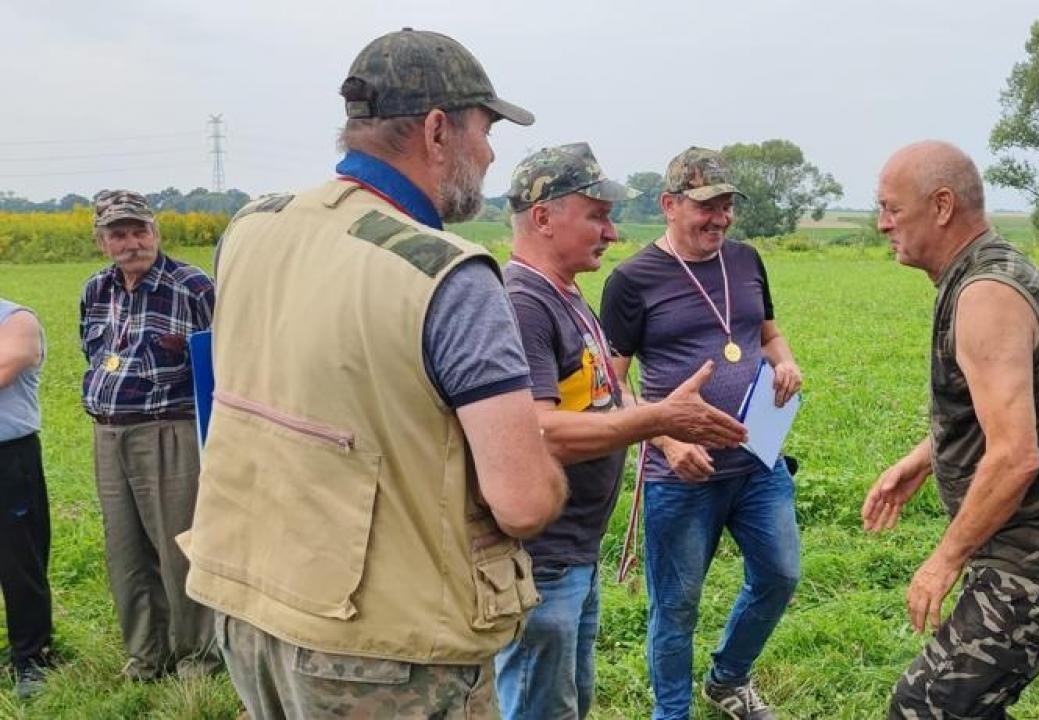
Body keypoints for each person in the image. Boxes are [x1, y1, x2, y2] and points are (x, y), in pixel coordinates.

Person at [179, 28, 566, 718]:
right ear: (438, 131)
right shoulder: (447, 273)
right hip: (386, 649)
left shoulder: (253, 226)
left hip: (249, 608)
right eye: (485, 129)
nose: (490, 152)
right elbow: (525, 503)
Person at [864, 141, 1039, 719]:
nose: (882, 224)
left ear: (941, 205)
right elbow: (1000, 417)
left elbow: (1014, 456)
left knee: (929, 706)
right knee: (964, 702)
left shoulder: (986, 295)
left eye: (891, 208)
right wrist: (923, 458)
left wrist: (944, 559)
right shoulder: (980, 274)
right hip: (1032, 537)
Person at [494, 142, 747, 719]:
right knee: (538, 708)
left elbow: (610, 391)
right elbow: (539, 433)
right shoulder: (524, 304)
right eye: (597, 216)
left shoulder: (568, 294)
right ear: (542, 217)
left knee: (570, 703)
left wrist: (657, 425)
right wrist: (659, 419)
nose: (611, 233)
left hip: (574, 552)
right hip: (543, 558)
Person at [599, 147, 802, 720]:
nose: (721, 218)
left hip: (758, 461)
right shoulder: (632, 280)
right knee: (677, 607)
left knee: (781, 575)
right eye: (707, 205)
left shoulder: (746, 260)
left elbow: (767, 334)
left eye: (727, 205)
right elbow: (611, 387)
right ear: (669, 205)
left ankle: (728, 680)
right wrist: (665, 438)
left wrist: (785, 362)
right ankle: (672, 713)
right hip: (683, 474)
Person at [78, 189, 217, 680]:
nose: (131, 242)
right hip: (109, 434)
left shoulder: (193, 286)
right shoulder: (96, 289)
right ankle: (145, 655)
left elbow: (225, 361)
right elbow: (92, 355)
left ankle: (198, 658)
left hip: (170, 431)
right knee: (126, 551)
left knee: (179, 545)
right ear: (103, 242)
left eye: (140, 231)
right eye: (119, 234)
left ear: (156, 233)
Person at [0, 298, 53, 699]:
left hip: (8, 457)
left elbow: (8, 364)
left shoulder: (16, 320)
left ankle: (32, 658)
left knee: (20, 563)